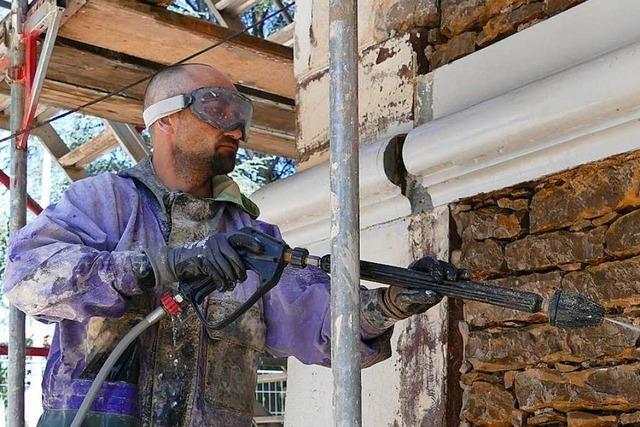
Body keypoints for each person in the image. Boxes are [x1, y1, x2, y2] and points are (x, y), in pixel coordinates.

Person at [3, 64, 467, 427]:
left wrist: (388, 304)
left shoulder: (253, 239)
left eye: (241, 115)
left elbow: (320, 325)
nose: (238, 130)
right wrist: (159, 266)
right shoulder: (106, 201)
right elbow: (26, 278)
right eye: (218, 110)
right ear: (165, 120)